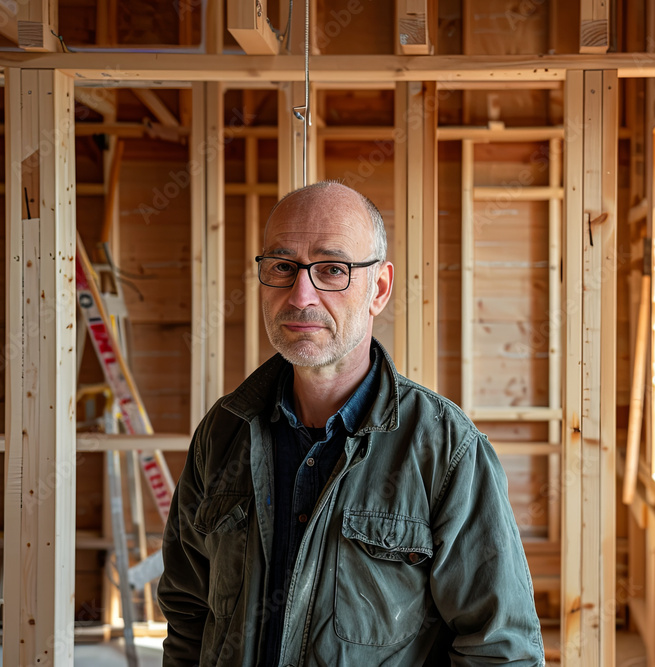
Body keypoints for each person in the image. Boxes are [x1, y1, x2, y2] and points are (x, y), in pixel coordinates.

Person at [158, 181, 546, 666]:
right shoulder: (223, 432)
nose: (302, 295)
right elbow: (187, 614)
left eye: (332, 270)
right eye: (282, 266)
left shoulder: (445, 450)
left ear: (378, 289)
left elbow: (500, 649)